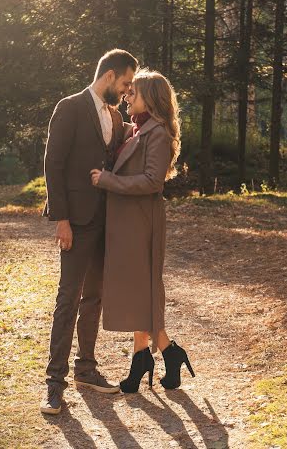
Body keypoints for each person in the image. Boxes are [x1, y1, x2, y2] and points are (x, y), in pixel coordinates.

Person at [40, 49, 138, 415]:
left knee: (94, 298)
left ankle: (86, 369)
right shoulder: (69, 107)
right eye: (126, 83)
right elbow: (54, 163)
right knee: (68, 299)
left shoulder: (114, 114)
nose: (127, 90)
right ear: (110, 76)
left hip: (105, 221)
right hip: (76, 222)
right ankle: (54, 385)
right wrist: (61, 219)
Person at [90, 69, 195, 393]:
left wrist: (107, 181)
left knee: (144, 290)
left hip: (142, 222)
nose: (126, 97)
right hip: (126, 222)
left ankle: (145, 359)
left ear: (148, 97)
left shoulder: (158, 134)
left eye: (132, 93)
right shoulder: (135, 130)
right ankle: (164, 353)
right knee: (138, 292)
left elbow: (153, 181)